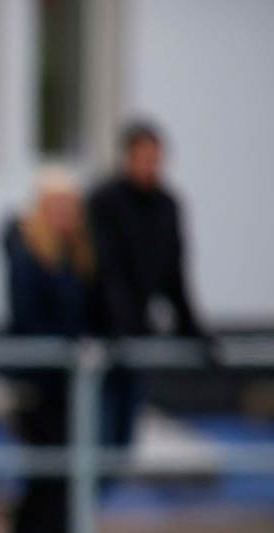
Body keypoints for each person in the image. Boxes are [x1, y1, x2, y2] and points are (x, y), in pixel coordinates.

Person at [87, 120, 207, 495]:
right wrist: (121, 327)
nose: (149, 166)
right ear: (126, 158)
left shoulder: (166, 206)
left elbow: (174, 274)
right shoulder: (103, 203)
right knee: (95, 439)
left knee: (120, 444)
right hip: (103, 340)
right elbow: (106, 273)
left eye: (155, 159)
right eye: (143, 157)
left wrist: (193, 329)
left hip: (135, 342)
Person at [0, 168, 92, 533]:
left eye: (69, 208)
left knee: (53, 476)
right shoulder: (27, 254)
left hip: (68, 382)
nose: (63, 215)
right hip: (37, 382)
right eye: (56, 207)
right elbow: (26, 318)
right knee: (47, 474)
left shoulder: (74, 255)